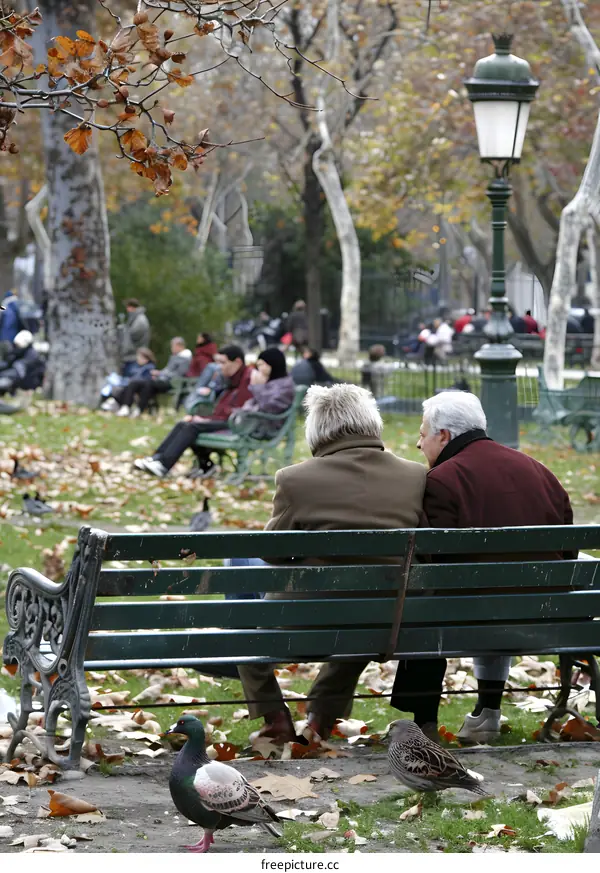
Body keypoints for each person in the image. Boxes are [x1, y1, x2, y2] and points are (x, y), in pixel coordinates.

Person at [236, 383, 427, 744]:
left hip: (312, 614)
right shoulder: (415, 475)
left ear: (318, 429)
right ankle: (321, 719)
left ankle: (275, 718)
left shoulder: (295, 479)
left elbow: (273, 552)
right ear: (372, 423)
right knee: (362, 624)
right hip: (391, 614)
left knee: (247, 633)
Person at [390, 392, 575, 744]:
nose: (418, 443)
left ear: (444, 435)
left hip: (471, 615)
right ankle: (487, 712)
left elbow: (437, 565)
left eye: (422, 433)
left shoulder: (443, 479)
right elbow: (568, 549)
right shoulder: (539, 470)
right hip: (548, 614)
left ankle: (424, 720)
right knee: (492, 592)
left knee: (425, 599)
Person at [134, 344, 254, 478]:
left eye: (223, 362)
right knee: (183, 423)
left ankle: (163, 465)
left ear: (237, 362)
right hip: (224, 418)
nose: (220, 367)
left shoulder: (248, 378)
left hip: (236, 423)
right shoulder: (230, 377)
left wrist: (206, 419)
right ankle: (157, 458)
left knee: (191, 427)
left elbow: (239, 409)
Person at [116, 336, 191, 417]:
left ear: (180, 346)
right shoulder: (175, 356)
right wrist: (159, 373)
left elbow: (179, 374)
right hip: (162, 380)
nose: (171, 348)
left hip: (171, 383)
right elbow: (167, 370)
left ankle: (139, 409)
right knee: (134, 383)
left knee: (148, 383)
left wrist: (160, 374)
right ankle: (126, 407)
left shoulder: (185, 358)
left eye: (173, 346)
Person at [100, 347, 156, 412]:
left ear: (146, 358)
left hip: (138, 388)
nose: (138, 358)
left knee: (126, 388)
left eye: (141, 357)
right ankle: (114, 403)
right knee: (114, 387)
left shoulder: (149, 367)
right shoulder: (135, 365)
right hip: (129, 385)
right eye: (138, 356)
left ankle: (121, 405)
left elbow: (141, 379)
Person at [0, 329, 45, 394]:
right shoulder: (19, 352)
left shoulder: (32, 355)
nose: (16, 347)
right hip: (18, 381)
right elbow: (7, 364)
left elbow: (18, 373)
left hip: (26, 385)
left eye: (18, 345)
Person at [119, 299, 151, 377]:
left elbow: (133, 336)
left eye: (127, 307)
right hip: (132, 357)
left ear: (131, 307)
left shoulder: (140, 320)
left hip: (134, 357)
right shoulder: (136, 319)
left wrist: (123, 331)